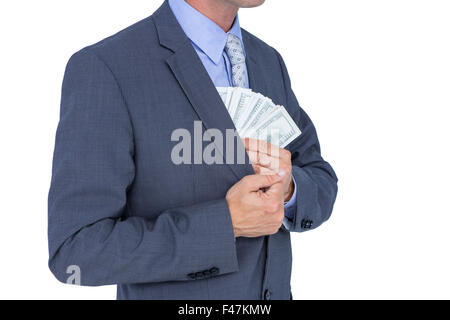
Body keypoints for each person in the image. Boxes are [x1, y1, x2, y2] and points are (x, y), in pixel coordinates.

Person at [48, 0, 338, 300]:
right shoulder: (107, 68)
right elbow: (76, 250)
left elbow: (319, 176)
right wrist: (226, 225)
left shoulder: (267, 61)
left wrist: (289, 190)